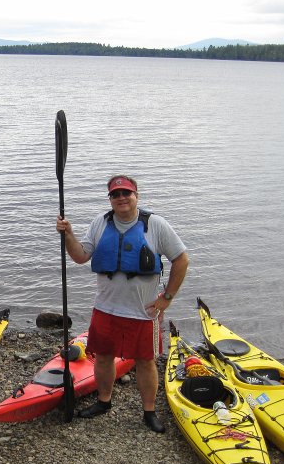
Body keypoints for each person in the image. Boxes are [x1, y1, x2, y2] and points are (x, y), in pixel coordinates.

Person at [56, 174, 189, 433]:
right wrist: (68, 235)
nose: (121, 198)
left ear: (136, 195)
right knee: (103, 358)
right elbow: (80, 256)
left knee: (146, 361)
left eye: (126, 193)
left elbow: (181, 260)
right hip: (106, 308)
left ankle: (149, 411)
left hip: (144, 311)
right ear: (110, 199)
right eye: (115, 195)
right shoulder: (100, 223)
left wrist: (167, 299)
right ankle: (104, 401)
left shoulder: (156, 225)